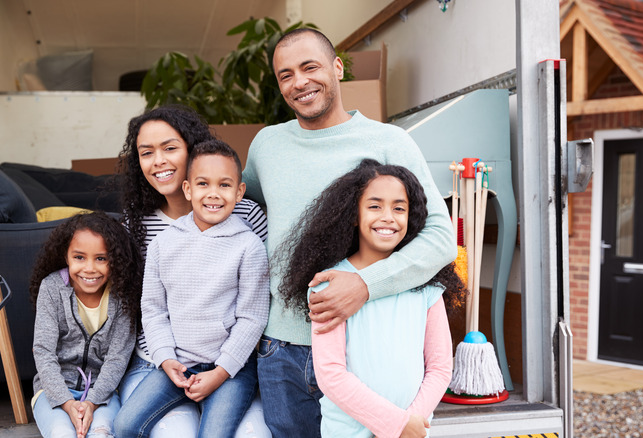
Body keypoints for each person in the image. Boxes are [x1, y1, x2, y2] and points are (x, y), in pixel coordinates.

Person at [241, 28, 457, 437]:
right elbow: (233, 209)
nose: (299, 82)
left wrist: (364, 284)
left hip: (365, 351)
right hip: (281, 351)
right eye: (285, 75)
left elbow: (441, 239)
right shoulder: (266, 146)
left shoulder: (389, 142)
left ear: (337, 68)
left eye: (310, 67)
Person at [115, 105, 269, 437]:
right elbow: (151, 307)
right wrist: (164, 357)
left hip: (230, 363)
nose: (159, 160)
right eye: (147, 152)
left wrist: (222, 369)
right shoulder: (146, 231)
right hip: (166, 359)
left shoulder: (247, 230)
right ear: (190, 187)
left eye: (169, 148)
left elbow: (255, 310)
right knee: (128, 426)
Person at [278, 160, 463, 437]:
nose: (388, 217)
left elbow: (439, 367)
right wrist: (394, 424)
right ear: (354, 215)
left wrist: (411, 422)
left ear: (410, 217)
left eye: (399, 208)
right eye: (375, 206)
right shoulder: (329, 285)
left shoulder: (425, 284)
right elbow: (331, 374)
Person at [29, 211, 141, 438]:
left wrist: (92, 401)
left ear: (115, 259)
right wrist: (67, 402)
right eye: (79, 257)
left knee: (101, 433)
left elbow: (118, 358)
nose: (90, 268)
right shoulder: (52, 288)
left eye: (101, 258)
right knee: (62, 433)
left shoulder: (123, 295)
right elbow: (43, 351)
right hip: (53, 391)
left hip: (105, 392)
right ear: (66, 256)